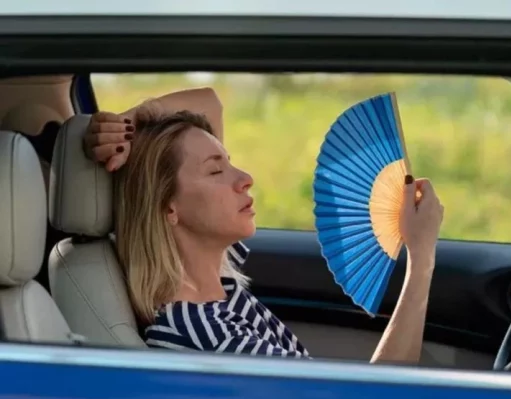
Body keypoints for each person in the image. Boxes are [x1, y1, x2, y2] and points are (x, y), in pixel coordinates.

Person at [83, 88, 445, 364]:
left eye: (231, 162)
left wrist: (126, 128)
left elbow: (209, 102)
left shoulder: (217, 281)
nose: (245, 178)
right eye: (215, 170)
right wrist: (422, 257)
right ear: (168, 208)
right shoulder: (203, 334)